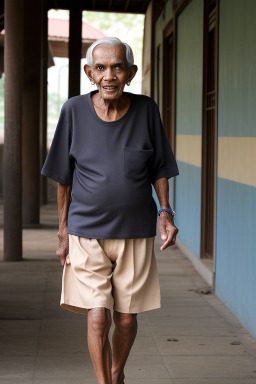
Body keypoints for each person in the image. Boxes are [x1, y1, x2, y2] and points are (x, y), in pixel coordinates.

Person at [41, 37, 179, 384]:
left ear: (130, 73)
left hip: (135, 229)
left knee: (128, 319)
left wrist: (165, 213)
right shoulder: (73, 110)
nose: (109, 75)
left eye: (118, 66)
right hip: (85, 232)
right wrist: (62, 233)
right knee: (98, 316)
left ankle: (117, 372)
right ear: (89, 73)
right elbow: (63, 178)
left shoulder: (147, 109)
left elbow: (159, 167)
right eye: (101, 67)